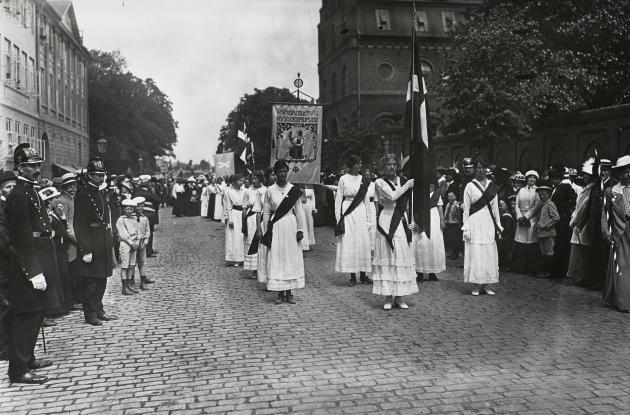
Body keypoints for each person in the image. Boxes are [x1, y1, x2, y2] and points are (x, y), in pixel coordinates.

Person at [6, 143, 62, 384]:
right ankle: (18, 370)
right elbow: (20, 238)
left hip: (40, 254)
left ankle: (28, 358)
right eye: (31, 166)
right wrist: (33, 272)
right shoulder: (18, 195)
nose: (37, 169)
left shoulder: (30, 190)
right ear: (20, 167)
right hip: (28, 262)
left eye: (38, 165)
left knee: (37, 312)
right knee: (26, 316)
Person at [73, 157, 116, 326]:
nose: (101, 178)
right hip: (91, 241)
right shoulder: (83, 195)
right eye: (98, 175)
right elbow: (79, 225)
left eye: (102, 174)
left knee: (102, 279)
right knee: (91, 282)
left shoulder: (99, 192)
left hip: (102, 240)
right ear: (89, 175)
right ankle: (90, 314)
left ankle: (98, 309)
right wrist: (86, 249)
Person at [372, 154, 417, 309]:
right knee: (388, 256)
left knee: (400, 256)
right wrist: (407, 186)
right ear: (383, 167)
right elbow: (392, 197)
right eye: (388, 165)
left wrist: (412, 220)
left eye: (394, 164)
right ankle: (388, 297)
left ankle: (399, 296)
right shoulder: (379, 182)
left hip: (402, 221)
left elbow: (409, 203)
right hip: (387, 219)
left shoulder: (403, 181)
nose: (391, 167)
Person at [261, 160, 305, 304]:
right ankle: (280, 293)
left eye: (284, 171)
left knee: (290, 256)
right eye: (279, 172)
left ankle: (290, 293)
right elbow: (266, 213)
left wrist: (300, 229)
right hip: (277, 226)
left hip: (290, 225)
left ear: (287, 172)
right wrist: (267, 231)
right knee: (278, 257)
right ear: (275, 173)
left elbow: (299, 211)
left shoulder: (294, 190)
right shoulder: (270, 190)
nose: (282, 174)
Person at [462, 156, 502, 296]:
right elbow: (466, 209)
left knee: (488, 252)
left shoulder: (492, 186)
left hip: (488, 223)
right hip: (475, 222)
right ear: (474, 169)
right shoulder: (470, 186)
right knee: (477, 253)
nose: (480, 170)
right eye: (478, 168)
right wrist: (466, 227)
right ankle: (476, 284)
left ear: (486, 169)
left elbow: (495, 208)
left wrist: (498, 226)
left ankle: (486, 284)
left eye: (483, 168)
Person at [334, 155, 372, 286]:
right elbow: (338, 199)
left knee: (362, 243)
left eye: (361, 163)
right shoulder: (343, 179)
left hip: (360, 210)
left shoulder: (363, 179)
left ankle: (364, 275)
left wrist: (369, 218)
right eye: (358, 163)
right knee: (350, 243)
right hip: (348, 211)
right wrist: (339, 218)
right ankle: (352, 276)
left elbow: (366, 200)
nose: (360, 165)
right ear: (352, 165)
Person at [602, 155, 630, 312]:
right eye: (625, 172)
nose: (629, 174)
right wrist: (606, 232)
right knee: (621, 266)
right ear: (619, 173)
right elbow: (605, 214)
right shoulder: (610, 191)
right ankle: (623, 301)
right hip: (619, 233)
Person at [568, 159, 598, 287]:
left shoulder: (592, 190)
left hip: (583, 223)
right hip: (578, 221)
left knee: (582, 249)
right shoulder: (586, 189)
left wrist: (574, 221)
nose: (584, 177)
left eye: (587, 175)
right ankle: (578, 275)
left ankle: (583, 276)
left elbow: (583, 208)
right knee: (577, 249)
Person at [549, 164, 577, 279]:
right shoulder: (555, 188)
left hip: (563, 220)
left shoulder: (565, 186)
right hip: (557, 219)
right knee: (557, 245)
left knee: (561, 245)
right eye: (553, 178)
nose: (554, 180)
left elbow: (573, 200)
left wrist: (560, 207)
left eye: (556, 178)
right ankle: (556, 270)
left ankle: (559, 272)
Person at [0, 171, 17, 361]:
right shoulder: (2, 207)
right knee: (4, 308)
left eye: (14, 186)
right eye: (8, 187)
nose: (12, 190)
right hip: (4, 265)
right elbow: (4, 239)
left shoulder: (11, 205)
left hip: (10, 263)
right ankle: (4, 347)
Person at [415, 182, 446, 282]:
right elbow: (414, 207)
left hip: (434, 218)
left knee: (433, 243)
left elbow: (440, 206)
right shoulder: (419, 192)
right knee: (422, 243)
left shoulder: (437, 193)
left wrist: (442, 220)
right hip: (422, 217)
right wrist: (415, 221)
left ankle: (432, 271)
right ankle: (419, 271)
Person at [514, 170, 542, 276]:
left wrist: (527, 216)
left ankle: (531, 268)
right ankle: (521, 267)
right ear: (526, 179)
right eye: (530, 177)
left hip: (532, 220)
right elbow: (517, 205)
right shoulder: (521, 190)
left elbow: (537, 205)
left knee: (531, 243)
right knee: (521, 243)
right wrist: (519, 216)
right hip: (521, 219)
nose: (532, 179)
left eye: (534, 178)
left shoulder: (538, 191)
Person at [534, 186, 560, 278]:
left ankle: (548, 273)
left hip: (548, 233)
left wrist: (545, 225)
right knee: (544, 253)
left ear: (548, 195)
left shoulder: (550, 204)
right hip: (541, 233)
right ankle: (543, 272)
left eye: (543, 194)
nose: (541, 196)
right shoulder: (542, 204)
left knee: (549, 253)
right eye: (540, 194)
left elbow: (556, 217)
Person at [243, 172, 265, 276]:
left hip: (262, 216)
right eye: (253, 178)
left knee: (261, 241)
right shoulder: (248, 191)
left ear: (260, 179)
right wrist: (244, 223)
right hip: (251, 218)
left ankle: (262, 268)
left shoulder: (265, 190)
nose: (254, 180)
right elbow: (244, 207)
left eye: (256, 178)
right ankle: (254, 269)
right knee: (252, 241)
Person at [116, 199, 140, 295]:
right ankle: (124, 287)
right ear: (123, 209)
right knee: (125, 266)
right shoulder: (121, 220)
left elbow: (138, 232)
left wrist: (137, 242)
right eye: (127, 209)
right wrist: (131, 243)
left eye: (131, 209)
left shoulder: (134, 219)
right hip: (125, 243)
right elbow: (123, 234)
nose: (129, 211)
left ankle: (130, 285)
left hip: (134, 243)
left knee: (131, 265)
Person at [224, 175, 245, 266]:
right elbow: (228, 206)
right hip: (234, 214)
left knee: (242, 235)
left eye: (242, 180)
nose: (242, 182)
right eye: (240, 180)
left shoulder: (245, 191)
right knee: (235, 236)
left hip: (243, 213)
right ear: (234, 181)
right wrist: (230, 219)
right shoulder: (229, 192)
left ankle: (244, 257)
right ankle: (236, 258)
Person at [132, 197, 152, 290]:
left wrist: (146, 241)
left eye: (141, 206)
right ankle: (131, 281)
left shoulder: (145, 218)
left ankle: (143, 281)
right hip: (133, 243)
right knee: (132, 263)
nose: (140, 208)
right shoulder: (131, 218)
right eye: (138, 206)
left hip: (142, 243)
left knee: (142, 262)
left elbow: (148, 231)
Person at [443, 190, 462, 260]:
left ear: (455, 197)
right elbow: (445, 213)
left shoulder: (457, 205)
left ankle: (456, 254)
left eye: (451, 196)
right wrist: (444, 220)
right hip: (449, 223)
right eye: (448, 196)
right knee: (451, 239)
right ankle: (453, 253)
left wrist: (460, 223)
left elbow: (459, 215)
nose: (450, 198)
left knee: (455, 240)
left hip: (455, 224)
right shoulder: (448, 204)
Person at [498, 199, 515, 272]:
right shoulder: (504, 215)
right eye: (499, 206)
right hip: (505, 236)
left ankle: (507, 266)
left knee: (506, 251)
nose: (500, 207)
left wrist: (503, 235)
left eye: (501, 205)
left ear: (506, 205)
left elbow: (507, 229)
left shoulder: (507, 216)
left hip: (507, 237)